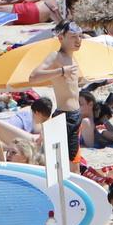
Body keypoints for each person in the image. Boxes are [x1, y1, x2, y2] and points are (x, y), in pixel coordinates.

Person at [28, 22, 86, 159]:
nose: (78, 40)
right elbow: (33, 77)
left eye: (80, 36)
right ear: (61, 38)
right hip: (65, 115)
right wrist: (60, 71)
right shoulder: (55, 56)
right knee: (66, 162)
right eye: (73, 36)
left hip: (75, 114)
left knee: (74, 161)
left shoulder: (72, 57)